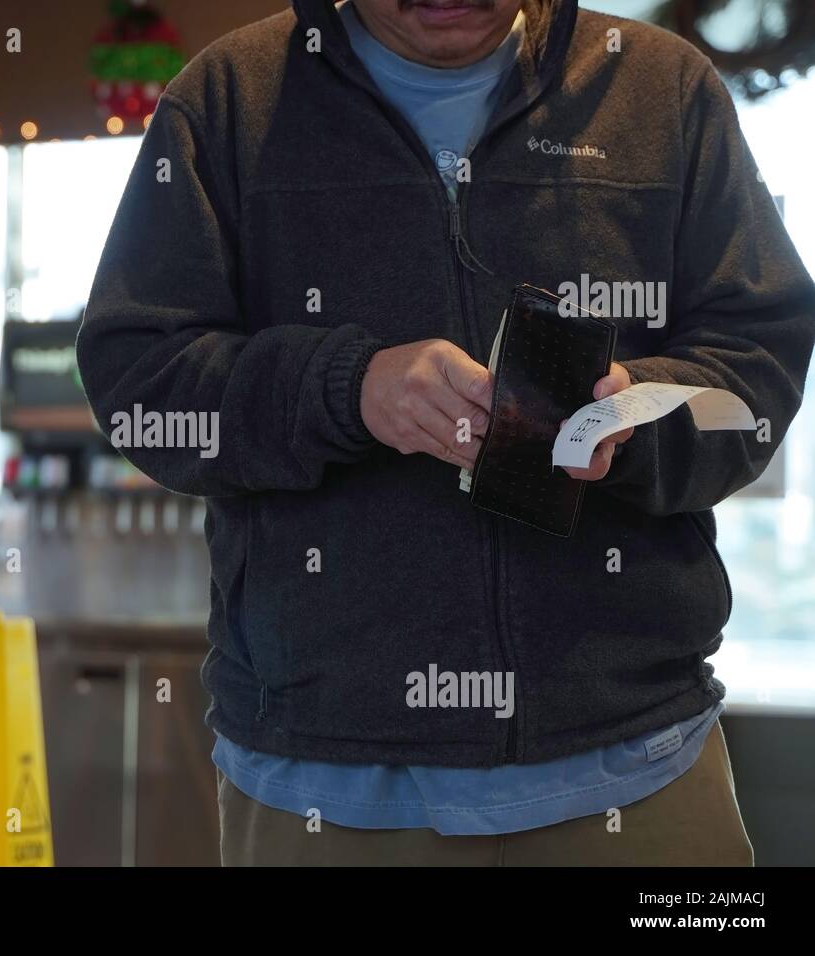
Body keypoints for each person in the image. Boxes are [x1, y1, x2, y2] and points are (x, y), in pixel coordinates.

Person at [76, 0, 815, 865]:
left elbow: (755, 358)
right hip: (327, 783)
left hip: (640, 763)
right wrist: (347, 389)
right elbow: (142, 379)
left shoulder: (663, 87)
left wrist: (632, 412)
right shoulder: (229, 98)